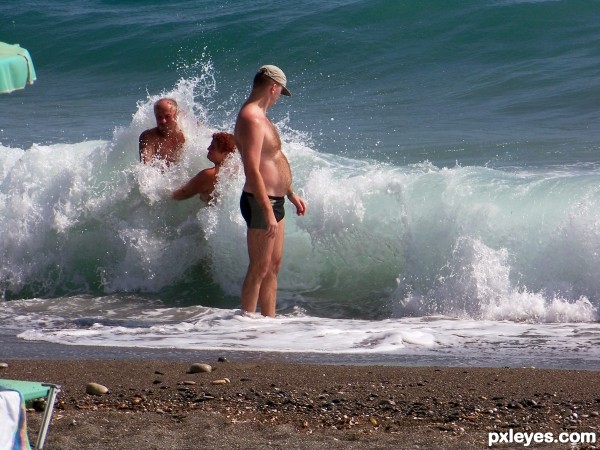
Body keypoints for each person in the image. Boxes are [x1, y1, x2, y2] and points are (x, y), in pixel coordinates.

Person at [234, 65, 307, 317]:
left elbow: (272, 160)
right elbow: (252, 169)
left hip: (275, 199)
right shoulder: (251, 118)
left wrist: (289, 192)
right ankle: (246, 326)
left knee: (273, 266)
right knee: (259, 268)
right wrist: (267, 211)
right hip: (259, 201)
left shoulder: (261, 116)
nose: (278, 98)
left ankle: (268, 323)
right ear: (272, 87)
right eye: (279, 93)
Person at [172, 132, 237, 203]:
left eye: (213, 147)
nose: (208, 148)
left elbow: (182, 194)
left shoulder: (210, 174)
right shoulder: (235, 170)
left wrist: (162, 194)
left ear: (225, 154)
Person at [139, 98, 185, 166]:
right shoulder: (149, 137)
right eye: (159, 117)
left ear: (176, 115)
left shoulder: (186, 135)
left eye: (167, 116)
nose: (163, 121)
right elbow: (145, 167)